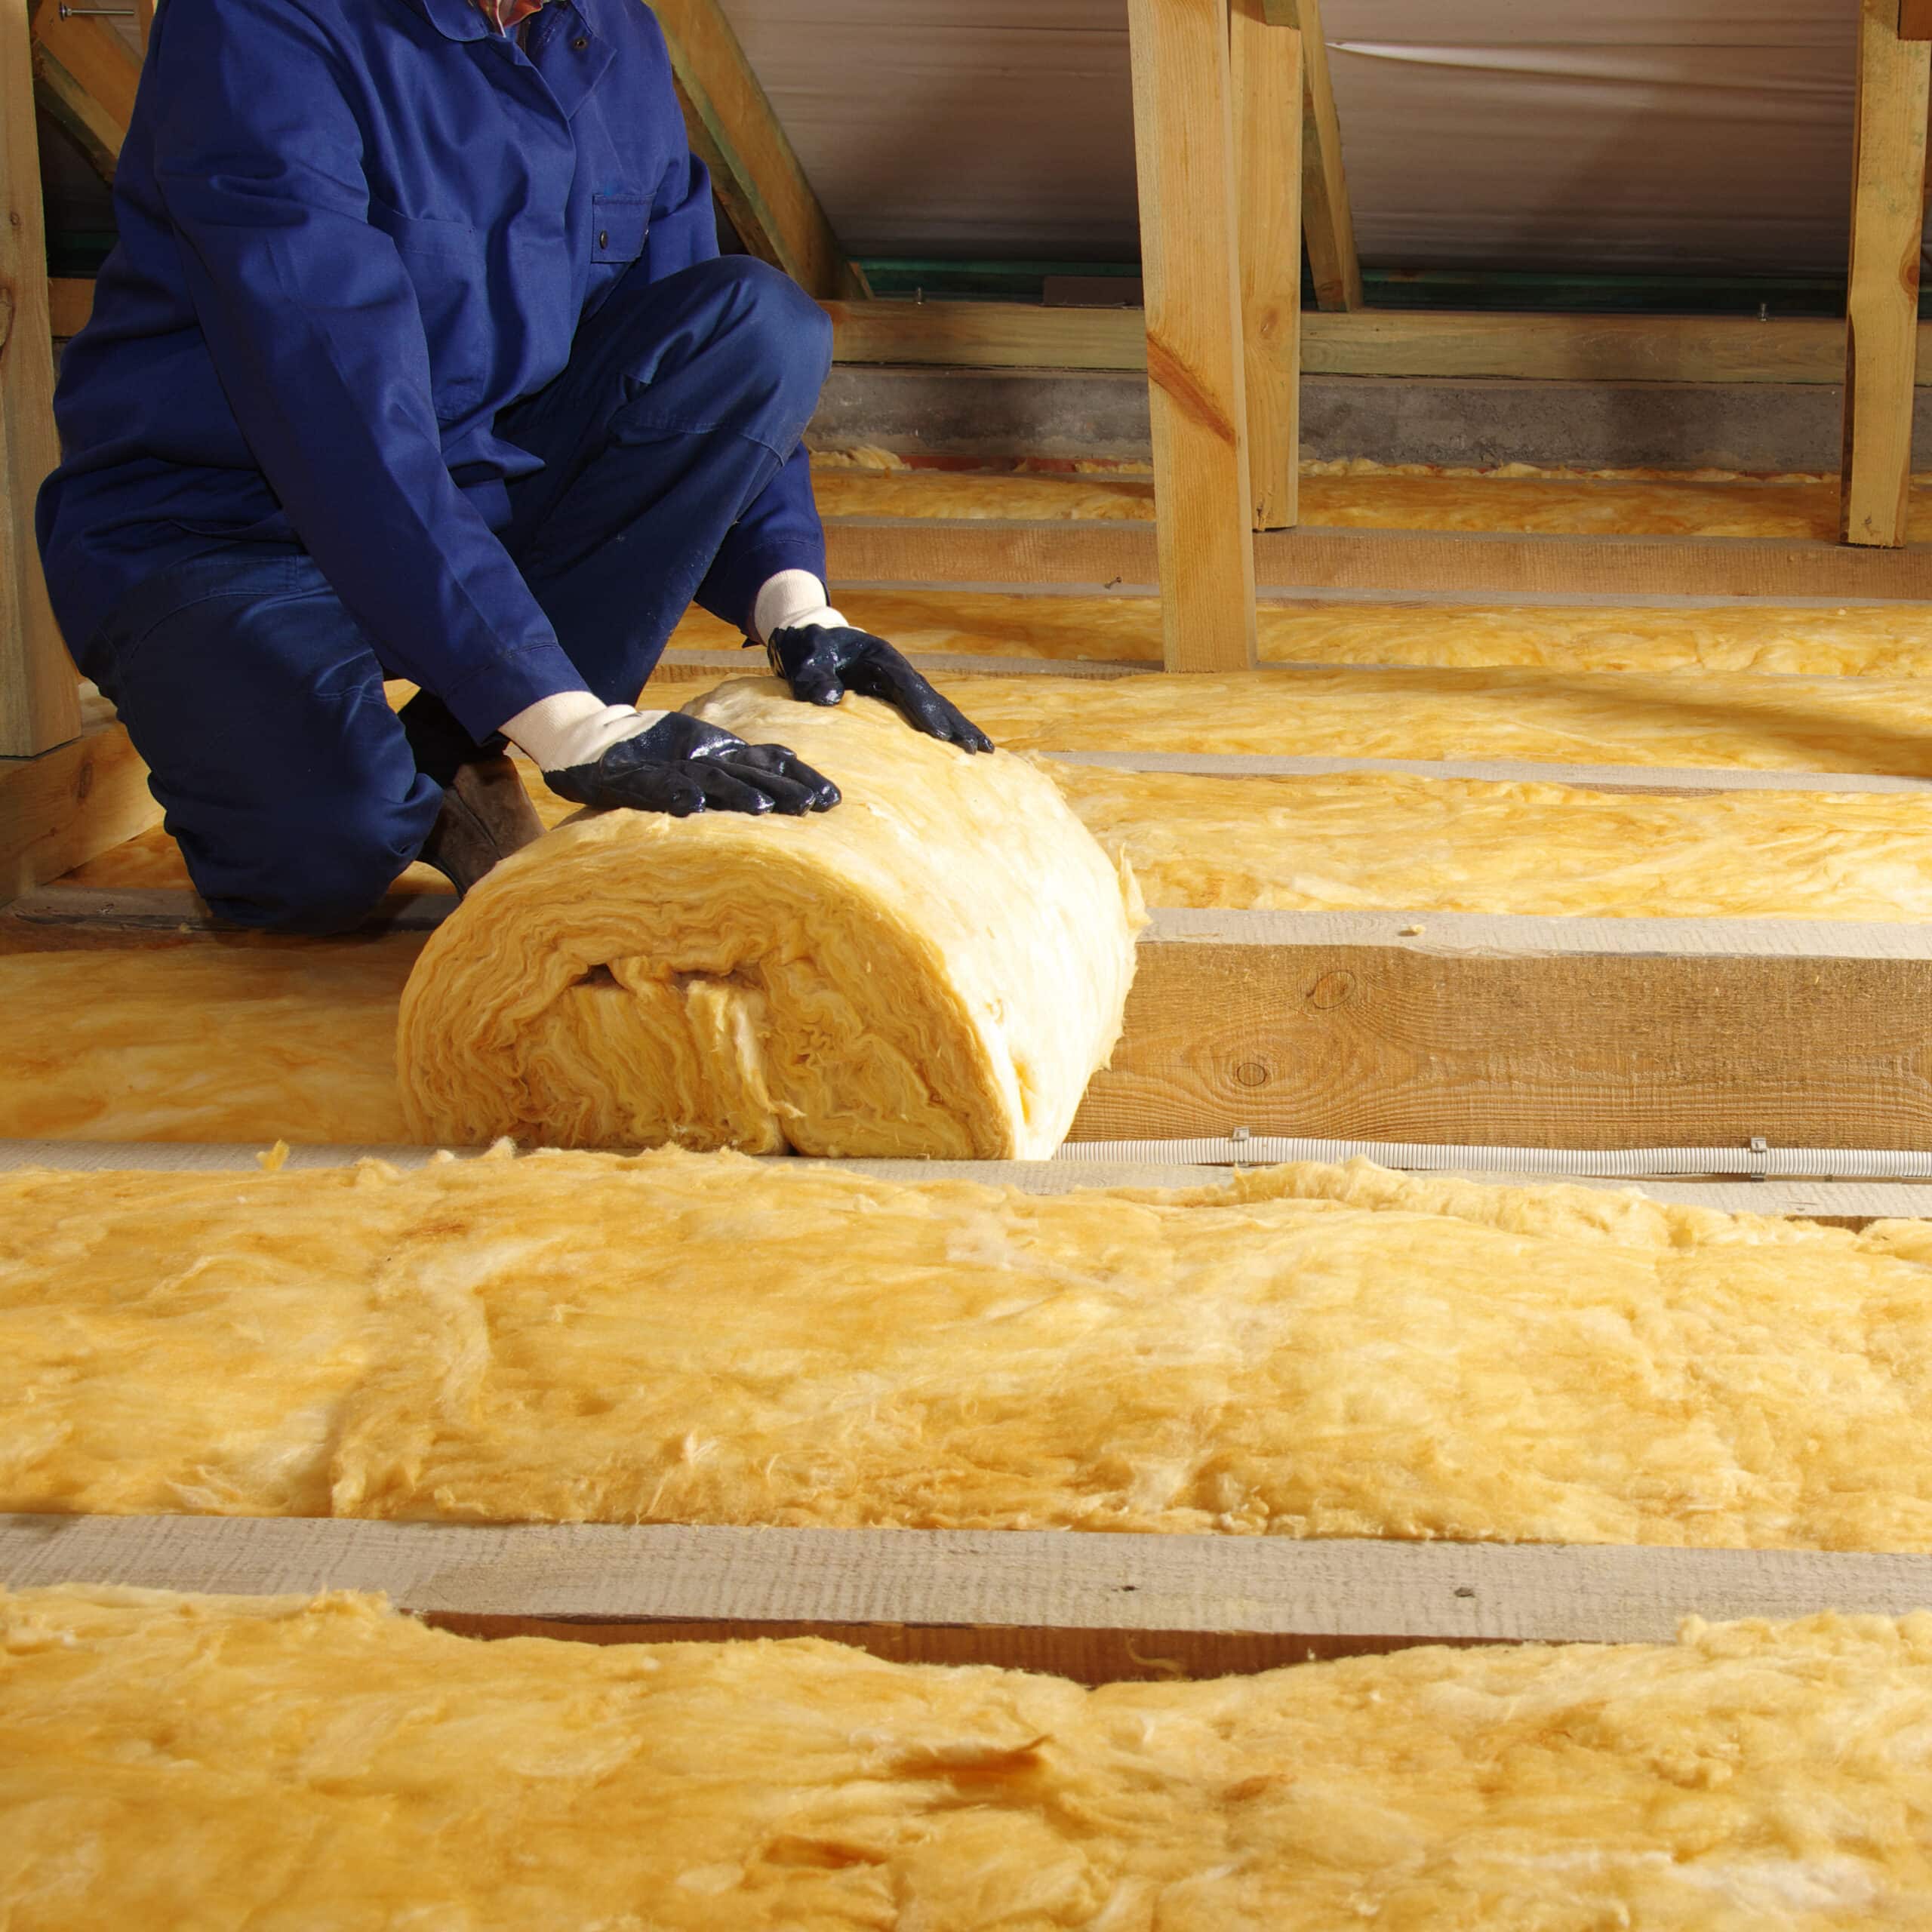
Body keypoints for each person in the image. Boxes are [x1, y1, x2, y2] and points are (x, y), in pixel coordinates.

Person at [35, 0, 991, 935]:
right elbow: (339, 412)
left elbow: (697, 338)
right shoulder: (255, 23)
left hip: (474, 492)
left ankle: (460, 740)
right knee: (321, 859)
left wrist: (796, 604)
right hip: (224, 523)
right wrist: (573, 728)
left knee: (758, 328)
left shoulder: (609, 29)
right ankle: (436, 751)